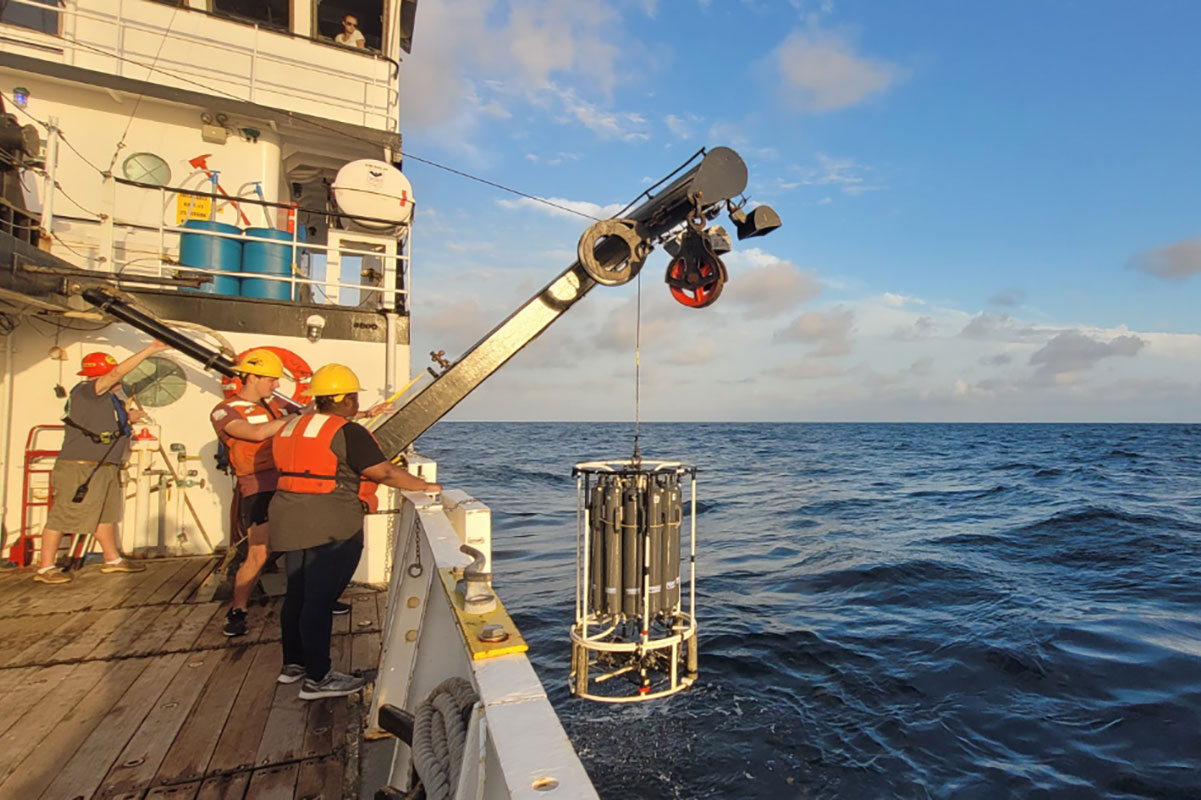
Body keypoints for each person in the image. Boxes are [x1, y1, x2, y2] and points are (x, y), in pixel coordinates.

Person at [270, 363, 439, 699]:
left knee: (297, 594)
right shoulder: (348, 432)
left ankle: (294, 664)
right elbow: (384, 473)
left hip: (288, 516)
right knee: (319, 600)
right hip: (328, 522)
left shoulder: (292, 425)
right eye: (354, 397)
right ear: (346, 399)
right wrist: (425, 486)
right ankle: (318, 678)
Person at [34, 342, 171, 584]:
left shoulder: (104, 400)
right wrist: (151, 350)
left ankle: (112, 559)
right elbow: (116, 374)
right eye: (111, 375)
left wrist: (129, 418)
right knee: (63, 514)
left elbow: (100, 421)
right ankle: (45, 567)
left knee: (105, 515)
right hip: (81, 467)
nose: (118, 381)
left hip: (105, 466)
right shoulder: (88, 389)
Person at [209, 348, 294, 636]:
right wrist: (298, 420)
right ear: (252, 377)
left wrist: (365, 412)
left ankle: (316, 600)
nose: (276, 385)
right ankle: (237, 610)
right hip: (259, 486)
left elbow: (316, 413)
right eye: (271, 379)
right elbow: (254, 433)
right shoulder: (225, 410)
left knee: (303, 544)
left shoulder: (277, 407)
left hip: (289, 482)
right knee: (258, 552)